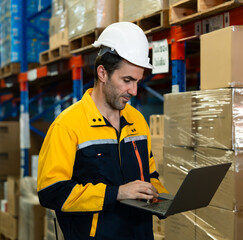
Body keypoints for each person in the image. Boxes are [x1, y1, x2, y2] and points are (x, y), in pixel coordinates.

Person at [37, 22, 168, 240]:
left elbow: (150, 174)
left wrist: (161, 198)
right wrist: (116, 193)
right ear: (102, 73)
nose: (133, 91)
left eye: (137, 81)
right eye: (127, 80)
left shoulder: (137, 121)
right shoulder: (67, 125)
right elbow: (52, 193)